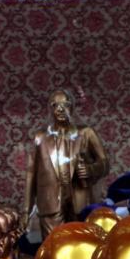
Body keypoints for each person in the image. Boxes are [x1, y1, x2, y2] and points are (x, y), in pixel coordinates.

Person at [23, 88, 109, 240]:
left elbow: (104, 163)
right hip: (50, 201)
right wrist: (26, 211)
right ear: (51, 108)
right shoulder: (41, 136)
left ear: (72, 107)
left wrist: (91, 169)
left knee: (84, 243)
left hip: (80, 197)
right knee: (53, 244)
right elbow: (31, 174)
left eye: (66, 105)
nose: (61, 109)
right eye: (56, 105)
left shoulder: (86, 132)